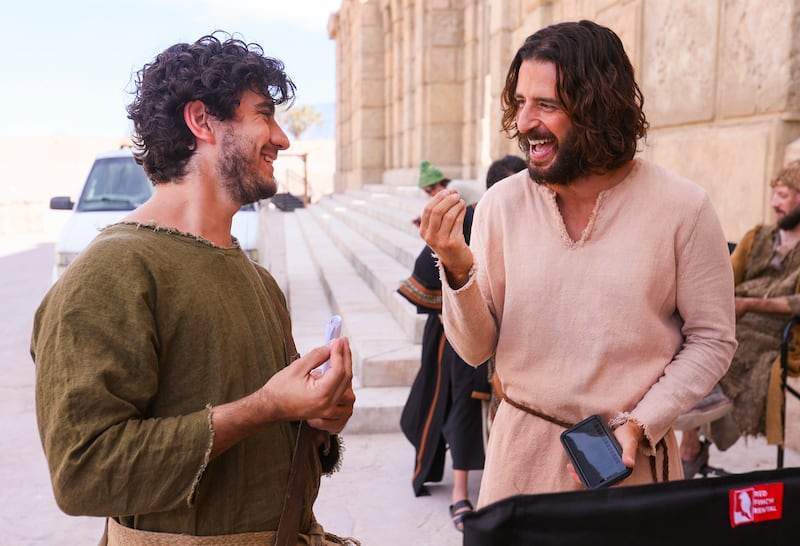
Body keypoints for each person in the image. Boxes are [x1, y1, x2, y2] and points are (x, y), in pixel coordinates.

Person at [31, 33, 358, 545]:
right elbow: (83, 472)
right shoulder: (112, 272)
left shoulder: (257, 278)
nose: (282, 138)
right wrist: (266, 407)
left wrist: (316, 418)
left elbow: (266, 444)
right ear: (202, 121)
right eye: (263, 115)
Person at [418, 20, 737, 508]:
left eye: (545, 104)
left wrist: (640, 423)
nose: (525, 122)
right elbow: (475, 348)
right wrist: (458, 270)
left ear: (598, 108)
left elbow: (713, 340)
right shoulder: (501, 205)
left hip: (633, 469)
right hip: (517, 469)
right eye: (520, 103)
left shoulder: (683, 208)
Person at [680, 159, 800, 477]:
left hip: (782, 330)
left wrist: (749, 304)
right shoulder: (758, 236)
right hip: (735, 315)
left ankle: (700, 416)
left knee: (731, 344)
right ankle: (692, 435)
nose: (775, 202)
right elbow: (724, 277)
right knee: (692, 331)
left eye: (784, 194)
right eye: (775, 193)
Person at [398, 160, 489, 532]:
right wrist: (453, 312)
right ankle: (461, 494)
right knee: (464, 405)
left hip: (513, 337)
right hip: (463, 335)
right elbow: (426, 273)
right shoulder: (471, 215)